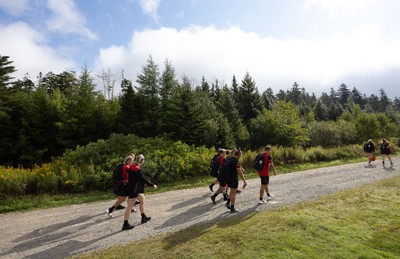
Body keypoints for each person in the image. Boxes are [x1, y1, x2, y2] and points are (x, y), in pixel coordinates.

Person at [122, 154, 158, 230]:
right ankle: (125, 224)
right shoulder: (136, 168)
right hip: (133, 190)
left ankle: (143, 217)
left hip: (135, 189)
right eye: (143, 161)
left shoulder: (133, 166)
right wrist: (152, 185)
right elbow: (143, 179)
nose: (143, 162)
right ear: (141, 161)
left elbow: (134, 177)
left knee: (142, 200)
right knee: (129, 207)